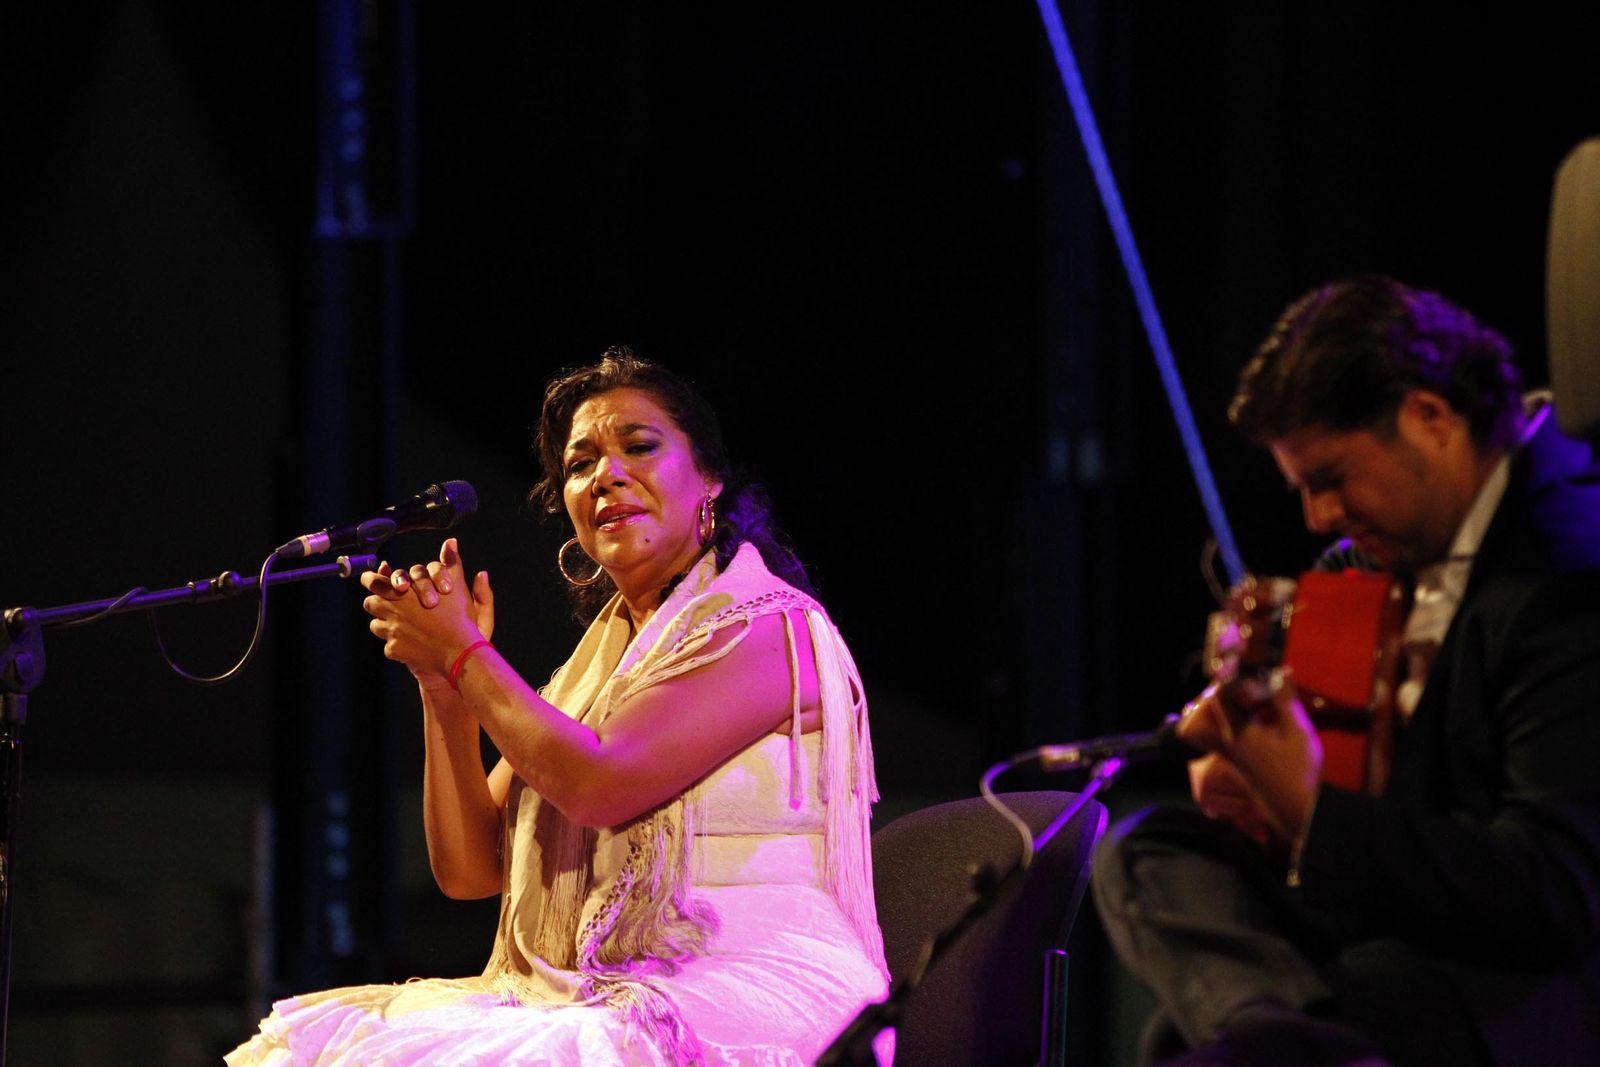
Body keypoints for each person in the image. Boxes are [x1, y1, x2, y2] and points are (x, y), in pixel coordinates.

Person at [227, 348, 892, 1066]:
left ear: (710, 479)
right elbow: (469, 866)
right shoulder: (590, 677)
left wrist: (464, 655)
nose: (605, 474)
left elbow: (598, 783)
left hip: (753, 986)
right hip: (607, 990)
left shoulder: (768, 627)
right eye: (580, 464)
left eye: (638, 446)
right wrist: (444, 688)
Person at [1092, 276, 1600, 1066]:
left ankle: (1273, 1030)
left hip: (1513, 995)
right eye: (1301, 489)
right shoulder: (1373, 561)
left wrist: (1310, 808)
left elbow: (1556, 891)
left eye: (1331, 480)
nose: (1318, 518)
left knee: (1182, 1044)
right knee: (1144, 848)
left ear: (1430, 417)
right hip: (1380, 948)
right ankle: (1274, 1025)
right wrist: (1256, 793)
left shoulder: (1567, 570)